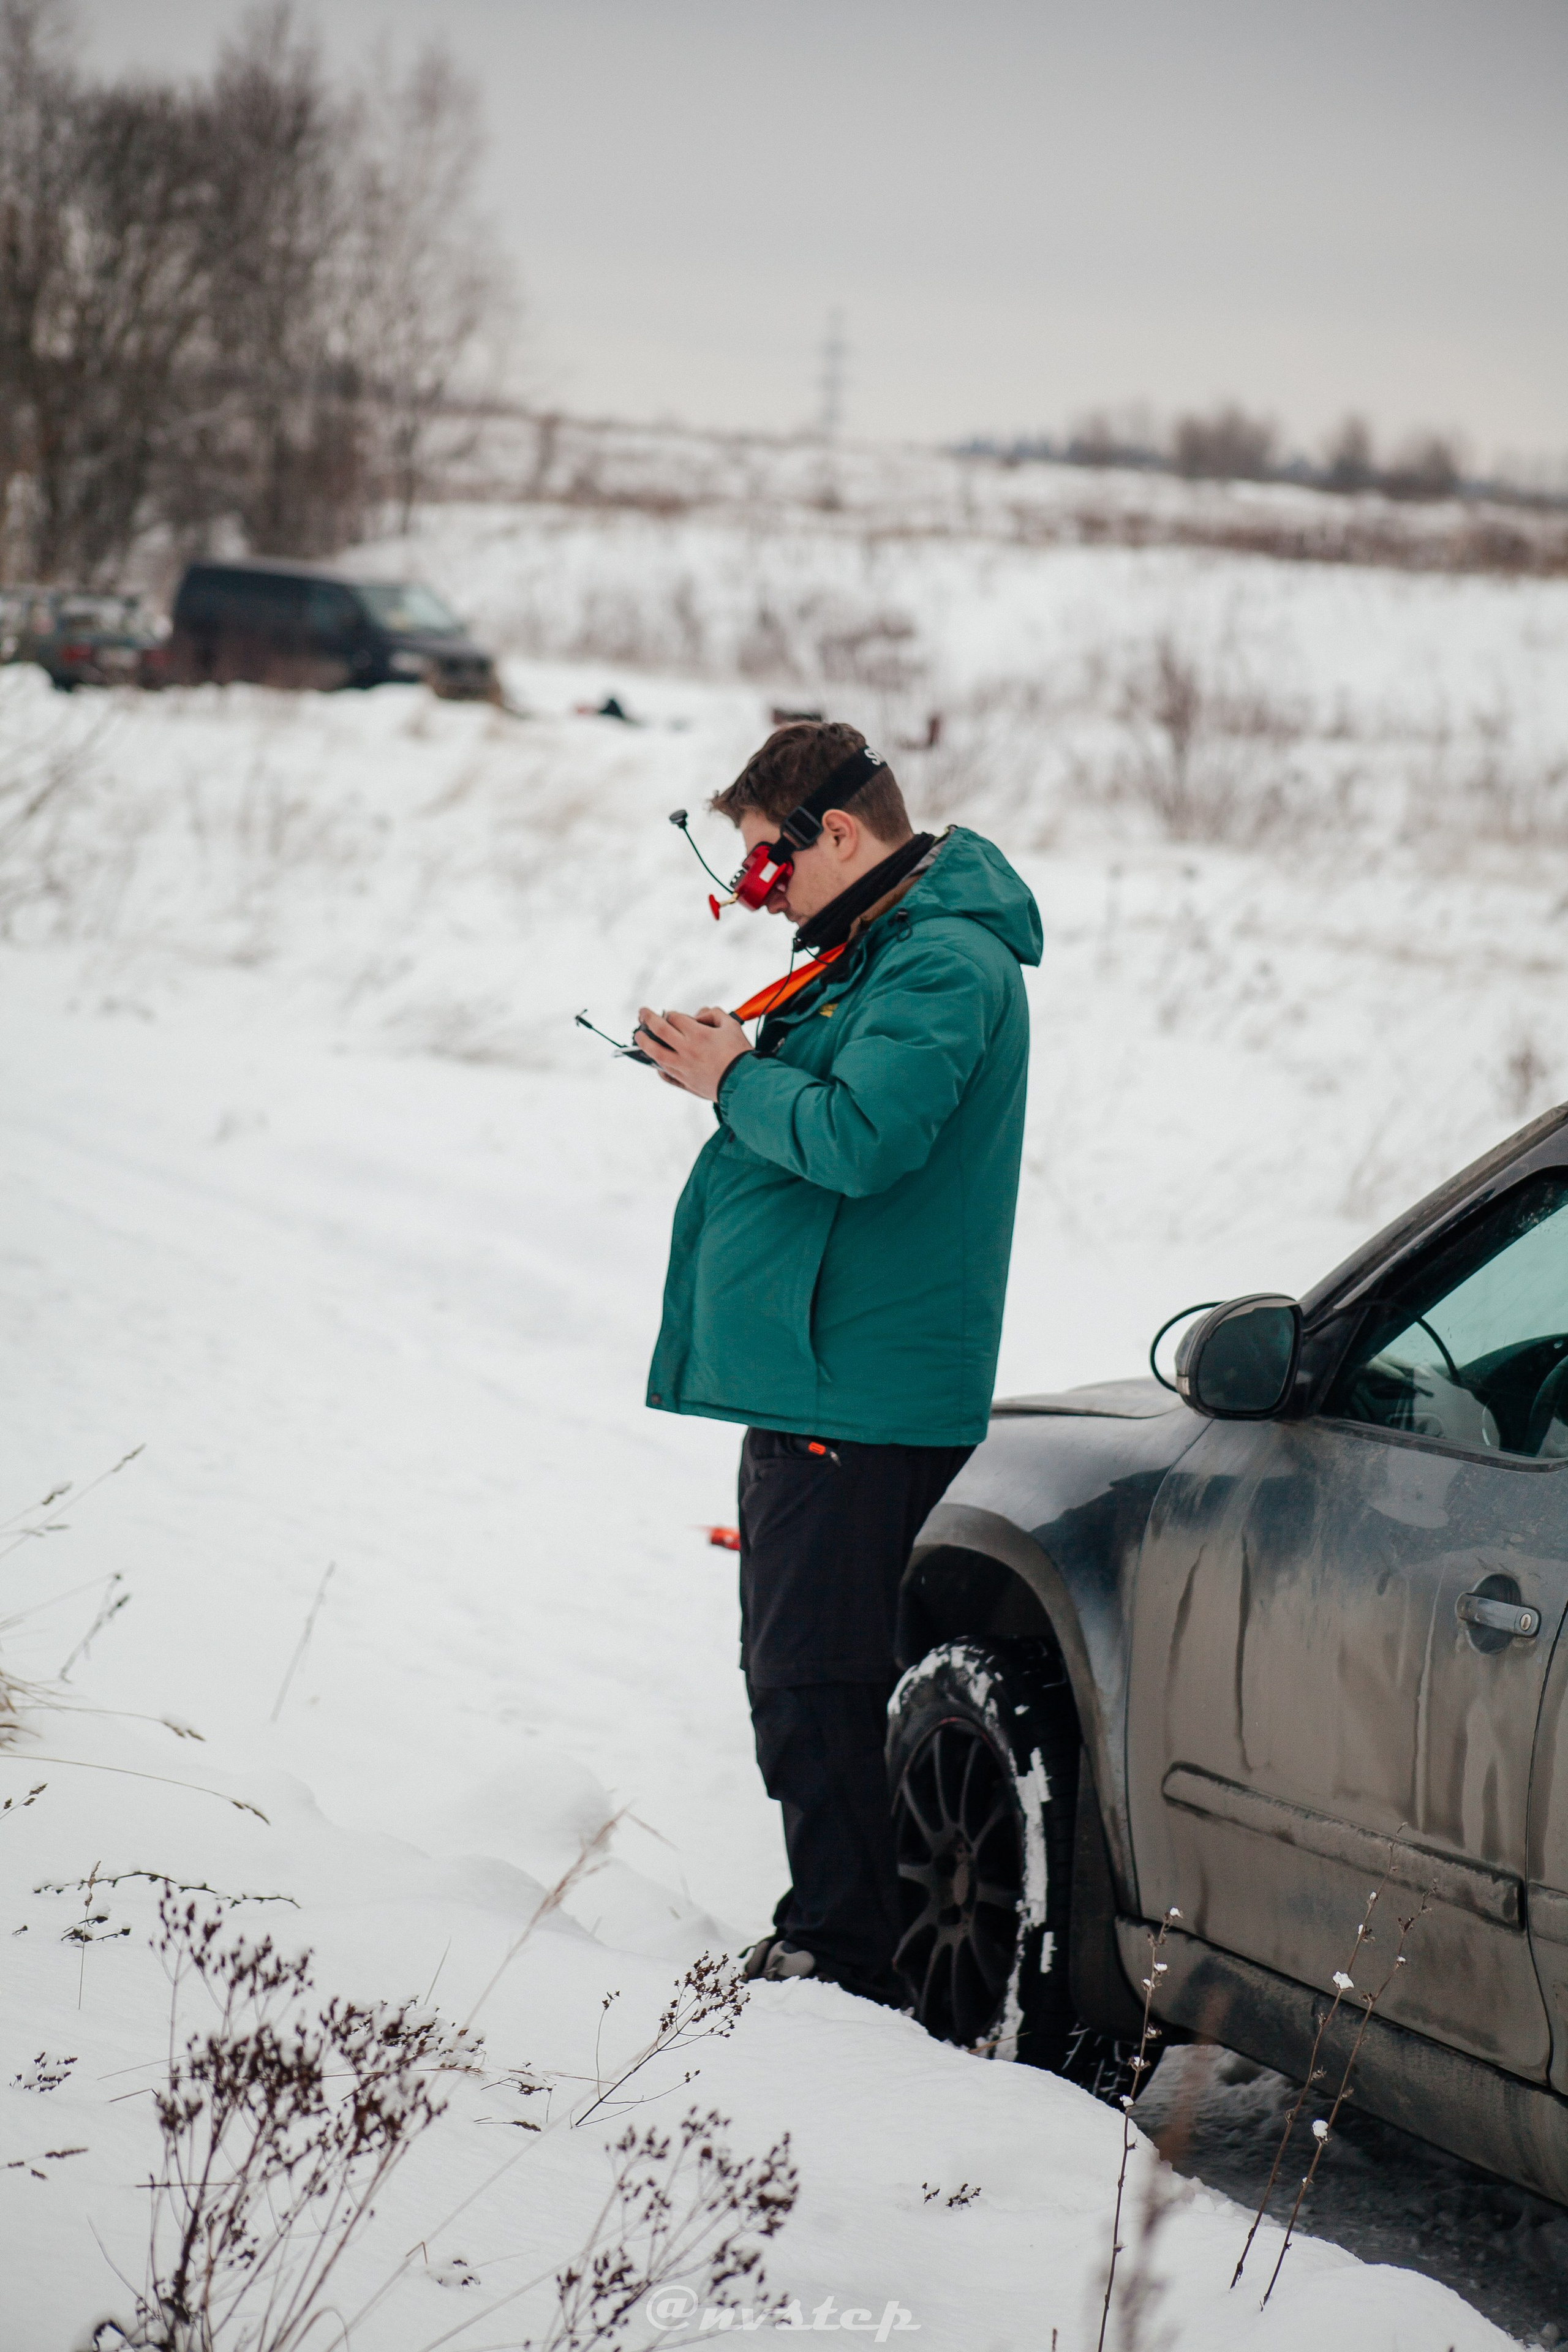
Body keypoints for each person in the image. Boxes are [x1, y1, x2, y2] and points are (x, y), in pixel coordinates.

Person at [638, 718, 1042, 2007]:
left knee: (813, 1679)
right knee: (812, 1672)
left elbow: (865, 1140)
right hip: (825, 1377)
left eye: (764, 867)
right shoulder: (880, 946)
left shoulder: (938, 964)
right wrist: (740, 1061)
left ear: (842, 836)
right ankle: (852, 1942)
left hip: (854, 1389)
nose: (756, 895)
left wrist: (732, 1079)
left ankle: (842, 1964)